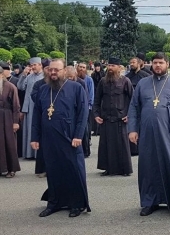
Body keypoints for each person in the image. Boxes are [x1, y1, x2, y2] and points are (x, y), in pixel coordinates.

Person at [127, 52, 170, 216]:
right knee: (148, 166)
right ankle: (150, 201)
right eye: (155, 63)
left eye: (161, 63)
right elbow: (134, 107)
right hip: (147, 133)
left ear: (167, 65)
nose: (157, 65)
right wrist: (132, 129)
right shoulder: (142, 83)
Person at [32, 59, 90, 218]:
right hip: (49, 139)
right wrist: (35, 137)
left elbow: (83, 113)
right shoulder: (43, 90)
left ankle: (76, 204)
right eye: (50, 70)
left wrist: (78, 135)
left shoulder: (76, 88)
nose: (53, 73)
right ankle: (54, 202)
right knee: (53, 171)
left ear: (64, 71)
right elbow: (37, 115)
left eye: (56, 70)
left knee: (73, 171)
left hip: (69, 137)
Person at [93, 58, 133, 177]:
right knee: (106, 145)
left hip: (120, 118)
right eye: (109, 65)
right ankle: (108, 168)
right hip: (106, 118)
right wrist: (96, 115)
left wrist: (129, 114)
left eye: (113, 66)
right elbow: (96, 100)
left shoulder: (125, 81)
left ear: (119, 68)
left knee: (122, 145)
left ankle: (124, 169)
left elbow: (133, 100)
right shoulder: (103, 81)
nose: (110, 68)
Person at [17, 58, 45, 160]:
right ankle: (29, 153)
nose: (33, 67)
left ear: (40, 65)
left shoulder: (44, 77)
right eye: (31, 65)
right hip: (28, 106)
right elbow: (20, 87)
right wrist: (23, 75)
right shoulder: (29, 77)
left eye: (35, 65)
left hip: (38, 106)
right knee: (28, 129)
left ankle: (38, 153)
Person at [90, 62, 105, 135]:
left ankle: (100, 130)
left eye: (98, 66)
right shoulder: (93, 75)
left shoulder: (104, 74)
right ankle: (95, 129)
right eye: (96, 66)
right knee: (96, 112)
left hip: (103, 95)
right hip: (96, 93)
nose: (97, 68)